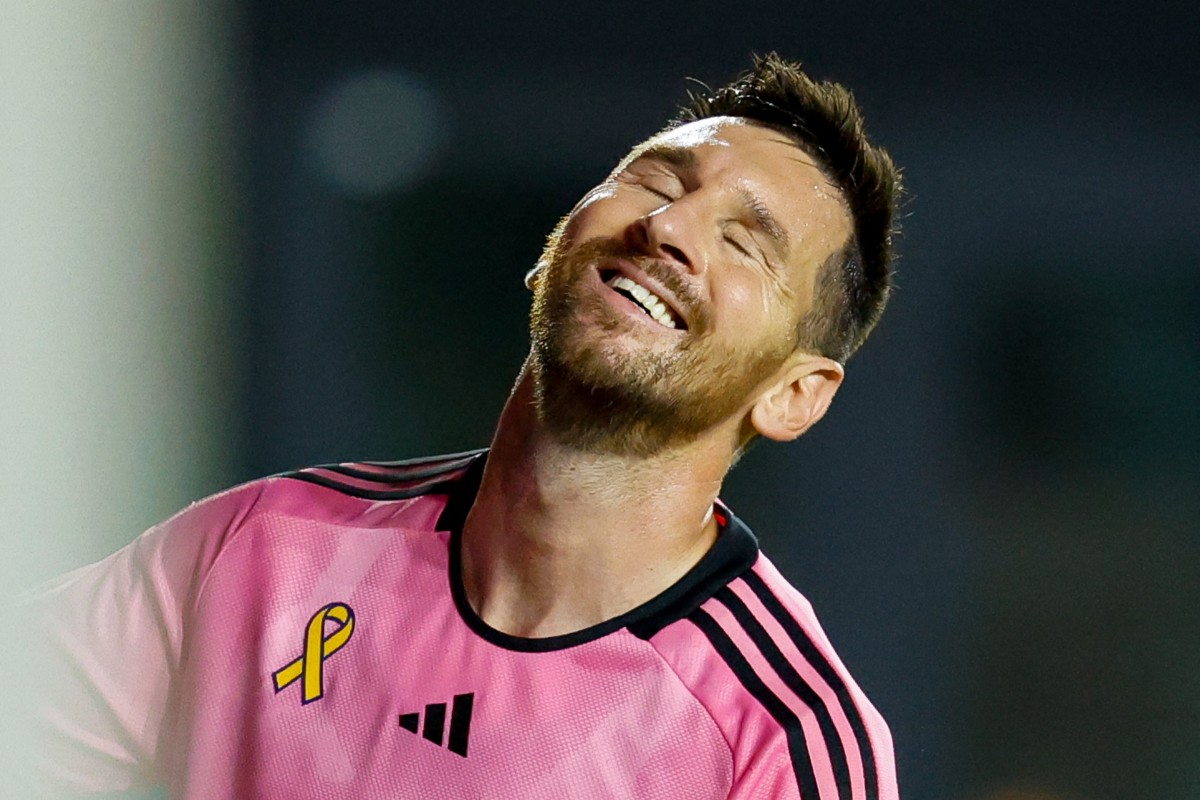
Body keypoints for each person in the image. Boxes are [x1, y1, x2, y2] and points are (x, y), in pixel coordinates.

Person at [25, 53, 903, 799]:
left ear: (795, 394)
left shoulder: (782, 740)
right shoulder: (267, 548)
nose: (667, 226)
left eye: (745, 243)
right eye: (655, 183)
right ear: (551, 251)